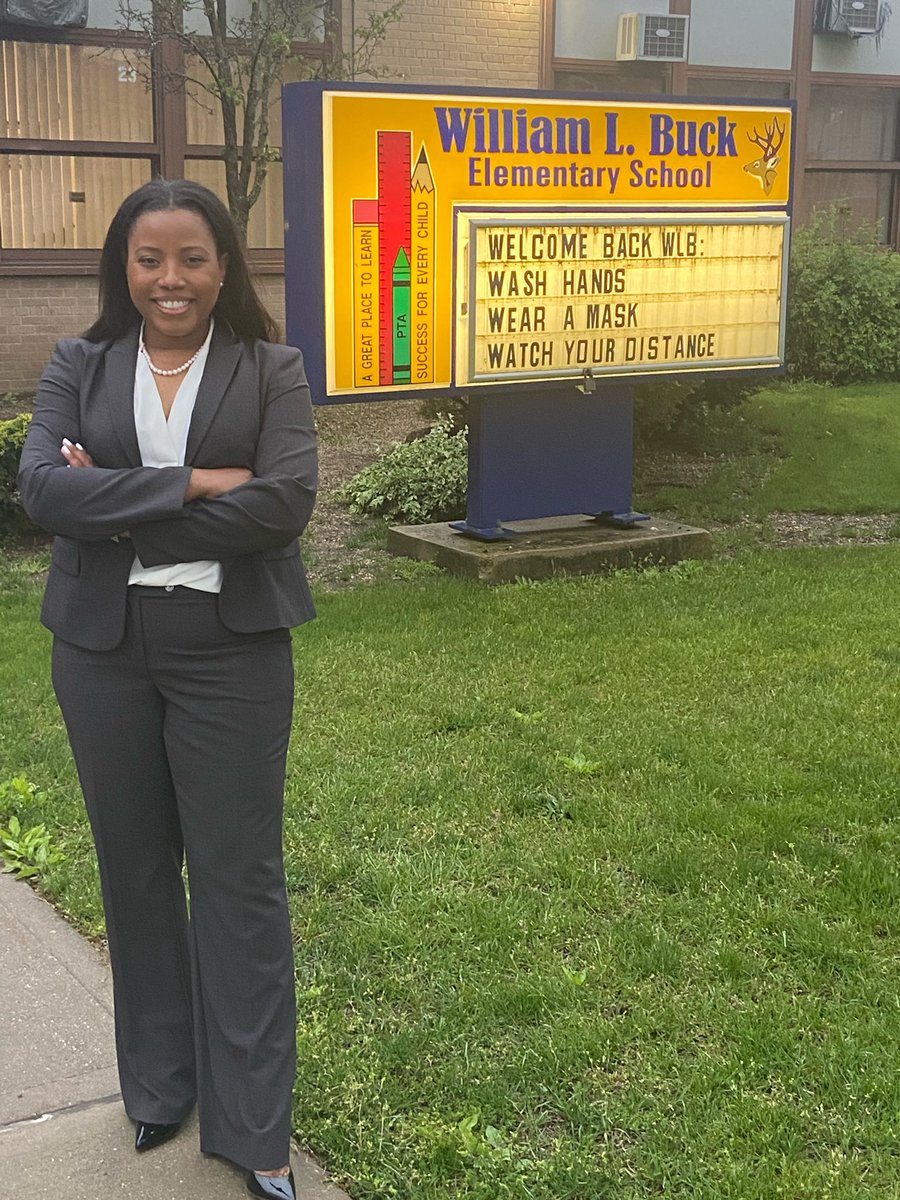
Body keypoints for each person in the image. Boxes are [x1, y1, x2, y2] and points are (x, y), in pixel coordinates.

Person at [18, 178, 317, 1200]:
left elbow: (282, 508)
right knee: (135, 872)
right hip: (102, 651)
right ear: (124, 268)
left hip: (230, 650)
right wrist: (197, 483)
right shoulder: (78, 362)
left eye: (192, 258)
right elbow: (40, 491)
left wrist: (110, 501)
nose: (171, 279)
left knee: (238, 883)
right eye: (150, 259)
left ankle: (255, 1128)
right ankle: (158, 1084)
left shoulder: (272, 369)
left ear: (223, 267)